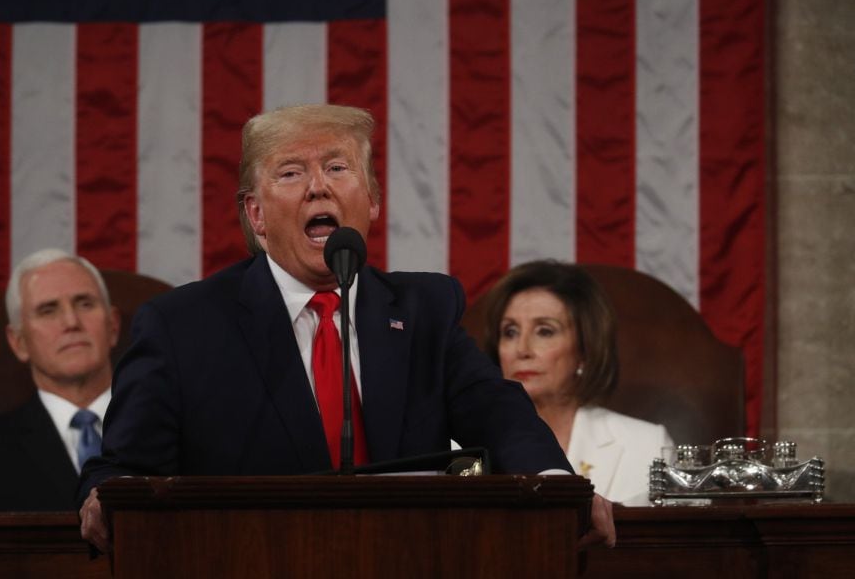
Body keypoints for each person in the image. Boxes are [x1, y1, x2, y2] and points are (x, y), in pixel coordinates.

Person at [78, 104, 615, 550]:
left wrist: (557, 485)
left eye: (337, 168)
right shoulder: (182, 327)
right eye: (291, 173)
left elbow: (499, 414)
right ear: (256, 215)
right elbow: (124, 470)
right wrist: (108, 497)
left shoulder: (425, 308)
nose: (318, 188)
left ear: (373, 201)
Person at [0, 248, 120, 511]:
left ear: (113, 325)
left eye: (85, 303)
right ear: (18, 342)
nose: (71, 321)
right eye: (48, 310)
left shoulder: (176, 429)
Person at [487, 259, 673, 505]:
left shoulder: (646, 445)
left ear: (585, 350)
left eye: (545, 331)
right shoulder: (459, 449)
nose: (522, 350)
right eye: (510, 332)